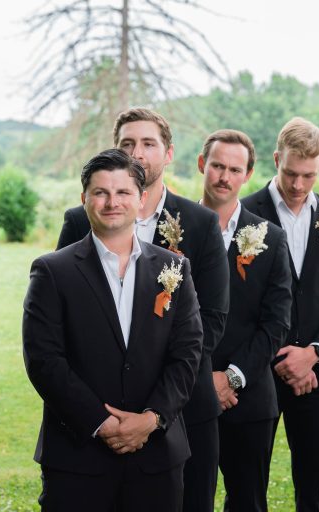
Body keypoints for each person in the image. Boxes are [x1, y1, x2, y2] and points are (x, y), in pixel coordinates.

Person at [56, 108, 229, 511]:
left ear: (167, 153)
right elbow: (62, 316)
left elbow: (212, 320)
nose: (137, 153)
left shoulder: (202, 223)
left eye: (148, 144)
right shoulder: (80, 220)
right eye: (127, 144)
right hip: (99, 413)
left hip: (181, 409)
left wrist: (152, 409)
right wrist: (108, 411)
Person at [23, 149, 203, 511]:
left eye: (122, 192)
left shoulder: (175, 268)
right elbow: (44, 360)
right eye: (100, 192)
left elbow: (187, 354)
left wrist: (151, 419)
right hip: (78, 458)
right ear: (84, 199)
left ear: (141, 199)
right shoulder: (52, 271)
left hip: (157, 458)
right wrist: (102, 424)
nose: (111, 202)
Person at [242, 117, 319, 512]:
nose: (297, 185)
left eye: (308, 176)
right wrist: (276, 357)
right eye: (290, 173)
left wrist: (314, 353)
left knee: (314, 494)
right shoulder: (243, 215)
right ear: (276, 159)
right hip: (256, 376)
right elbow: (237, 305)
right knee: (247, 493)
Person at [197, 129, 293, 511]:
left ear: (248, 175)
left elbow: (276, 323)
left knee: (248, 502)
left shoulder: (270, 237)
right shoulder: (171, 231)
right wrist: (202, 379)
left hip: (249, 396)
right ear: (202, 164)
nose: (224, 177)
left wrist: (233, 376)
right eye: (217, 166)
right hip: (185, 394)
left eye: (234, 169)